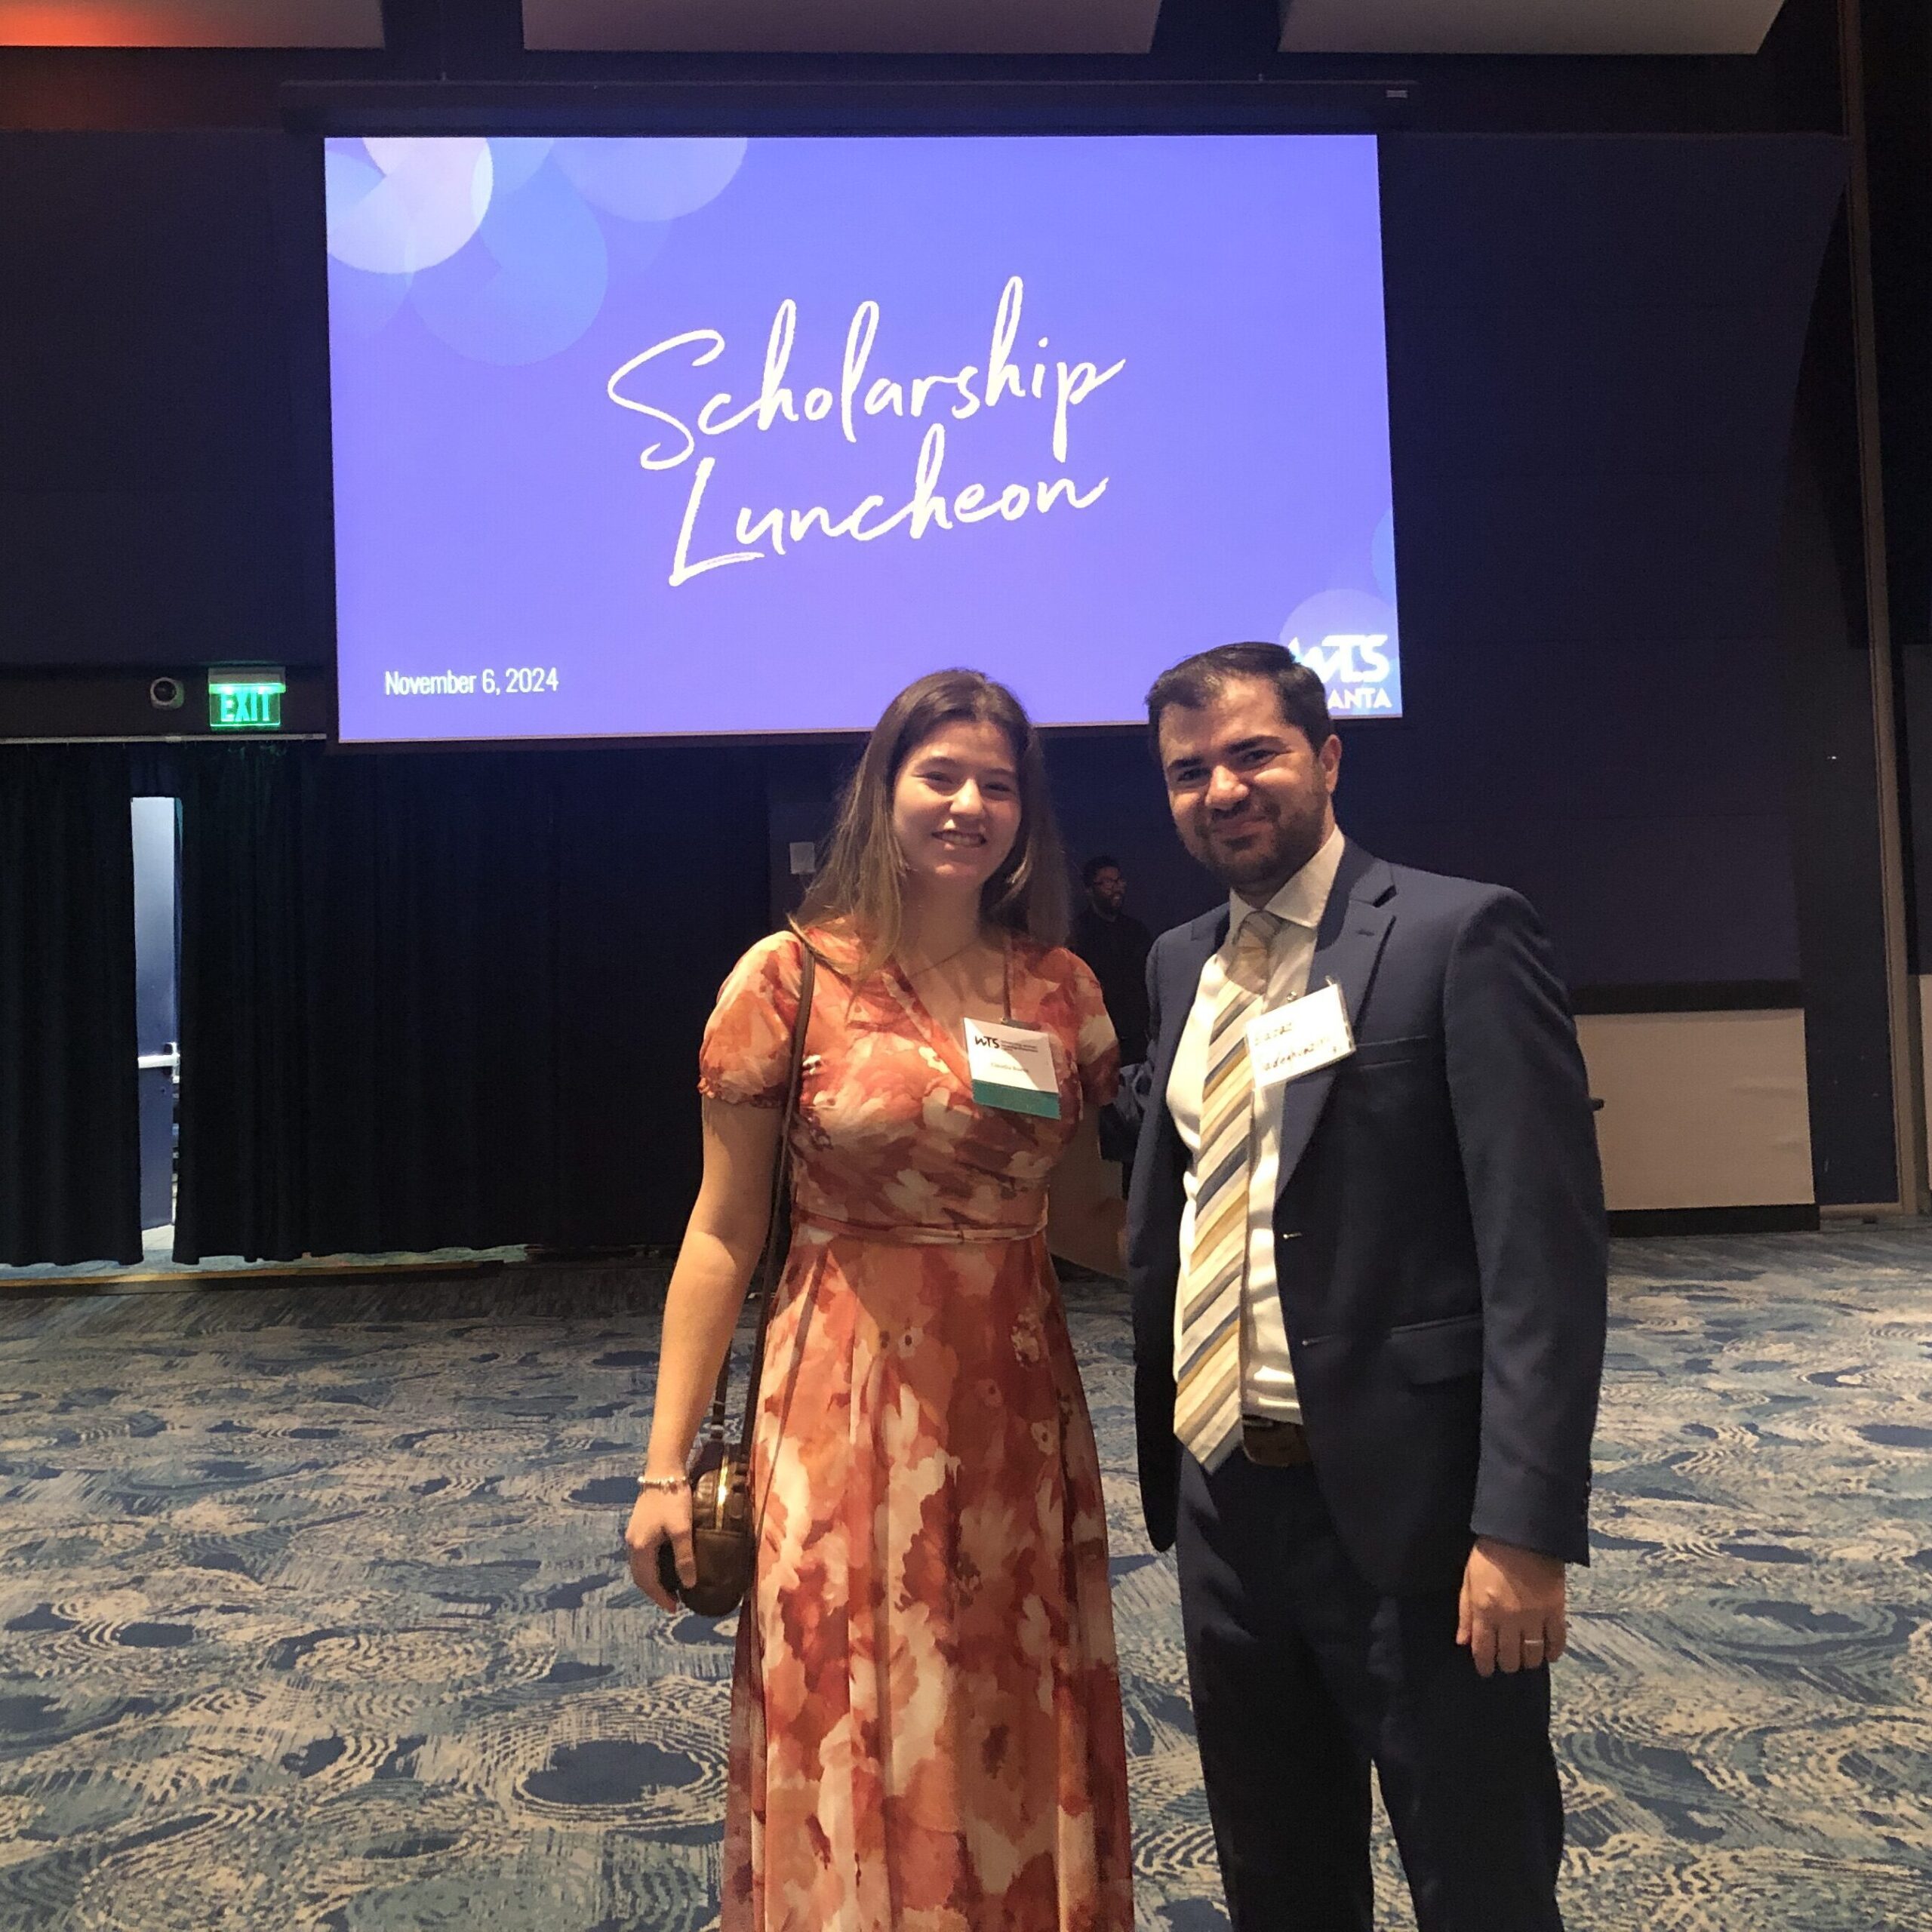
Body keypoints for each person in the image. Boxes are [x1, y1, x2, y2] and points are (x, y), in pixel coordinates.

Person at [626, 669, 1135, 1932]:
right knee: (848, 1690)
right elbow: (721, 1233)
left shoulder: (1060, 993)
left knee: (1008, 1699)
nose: (969, 805)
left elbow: (1082, 1218)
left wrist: (1270, 1264)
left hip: (1018, 1405)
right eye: (942, 777)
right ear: (884, 792)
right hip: (840, 1401)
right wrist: (661, 1469)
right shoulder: (788, 980)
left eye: (998, 786)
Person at [1124, 642, 1607, 1932]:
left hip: (1423, 1514)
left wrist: (1526, 1524)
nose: (1222, 789)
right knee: (1278, 1875)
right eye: (1189, 771)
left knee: (1480, 1875)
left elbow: (1540, 1256)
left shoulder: (1458, 933)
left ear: (1327, 760)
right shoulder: (1181, 966)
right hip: (1227, 1503)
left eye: (1253, 754)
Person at [1069, 855, 1155, 1066]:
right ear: (1089, 889)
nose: (1116, 888)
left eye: (1119, 881)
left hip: (1137, 1040)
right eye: (1108, 882)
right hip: (1096, 1041)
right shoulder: (1075, 934)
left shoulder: (1136, 931)